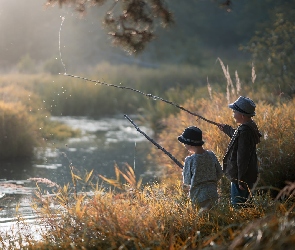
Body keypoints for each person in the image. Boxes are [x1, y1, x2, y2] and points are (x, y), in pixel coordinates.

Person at [218, 96, 262, 208]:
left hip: (241, 176)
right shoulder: (249, 127)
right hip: (248, 174)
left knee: (239, 206)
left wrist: (240, 180)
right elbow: (238, 135)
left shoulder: (244, 131)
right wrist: (227, 129)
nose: (233, 114)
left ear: (242, 115)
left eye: (234, 112)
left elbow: (242, 157)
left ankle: (241, 225)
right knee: (247, 204)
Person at [178, 126, 223, 211]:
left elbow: (187, 181)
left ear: (190, 144)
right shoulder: (211, 155)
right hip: (213, 194)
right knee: (215, 219)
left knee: (203, 221)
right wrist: (211, 181)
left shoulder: (190, 160)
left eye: (184, 143)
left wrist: (184, 170)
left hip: (198, 197)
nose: (184, 145)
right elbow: (220, 173)